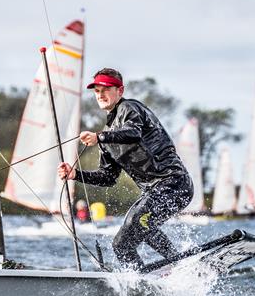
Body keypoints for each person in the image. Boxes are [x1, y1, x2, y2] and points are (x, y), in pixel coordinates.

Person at [57, 68, 193, 271]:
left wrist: (99, 137)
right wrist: (75, 175)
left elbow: (133, 133)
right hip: (154, 193)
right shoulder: (107, 136)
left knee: (136, 222)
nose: (100, 95)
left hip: (174, 183)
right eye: (96, 91)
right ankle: (142, 284)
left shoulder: (129, 108)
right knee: (122, 245)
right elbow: (108, 177)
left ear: (120, 91)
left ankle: (181, 264)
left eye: (106, 89)